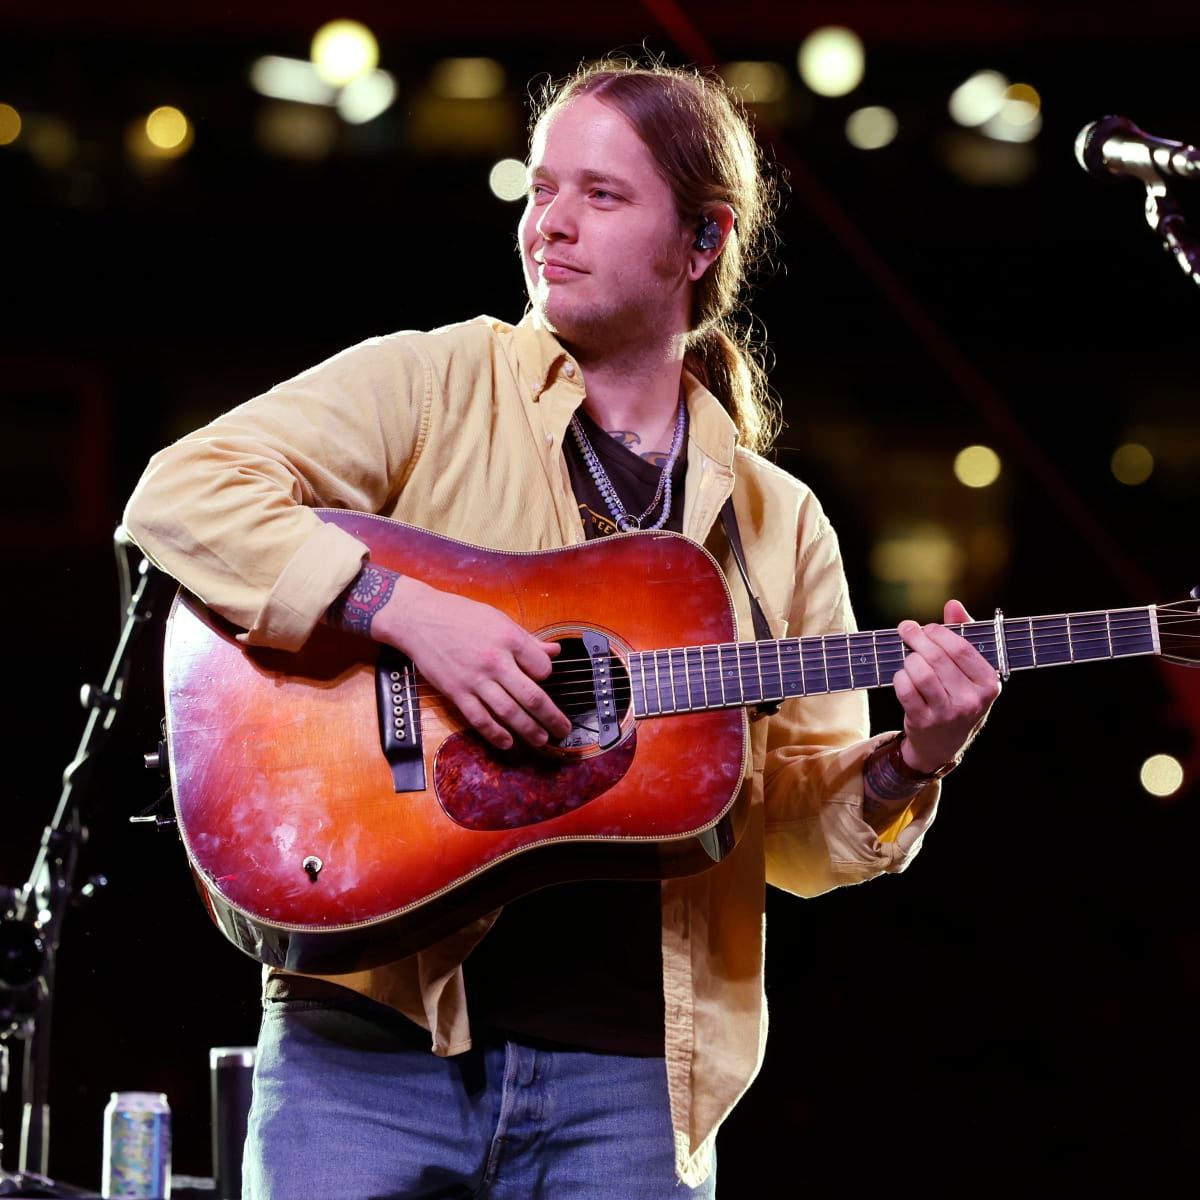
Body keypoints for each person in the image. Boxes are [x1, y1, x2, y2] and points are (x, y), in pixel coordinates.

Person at [123, 57, 1000, 1199]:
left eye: (599, 195)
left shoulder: (779, 524)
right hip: (366, 1045)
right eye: (542, 189)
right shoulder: (436, 381)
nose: (551, 224)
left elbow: (796, 837)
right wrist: (410, 613)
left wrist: (912, 760)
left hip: (630, 1088)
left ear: (701, 242)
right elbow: (179, 493)